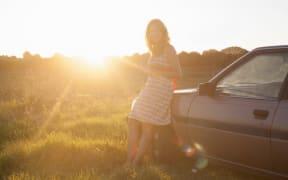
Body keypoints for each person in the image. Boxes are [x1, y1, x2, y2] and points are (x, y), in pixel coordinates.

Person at [126, 18, 182, 167]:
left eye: (156, 30)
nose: (153, 34)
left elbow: (178, 73)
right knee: (132, 121)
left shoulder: (169, 49)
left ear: (163, 32)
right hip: (149, 88)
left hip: (161, 91)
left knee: (147, 126)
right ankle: (129, 160)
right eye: (150, 31)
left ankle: (135, 162)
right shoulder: (152, 52)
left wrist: (158, 71)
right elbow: (150, 74)